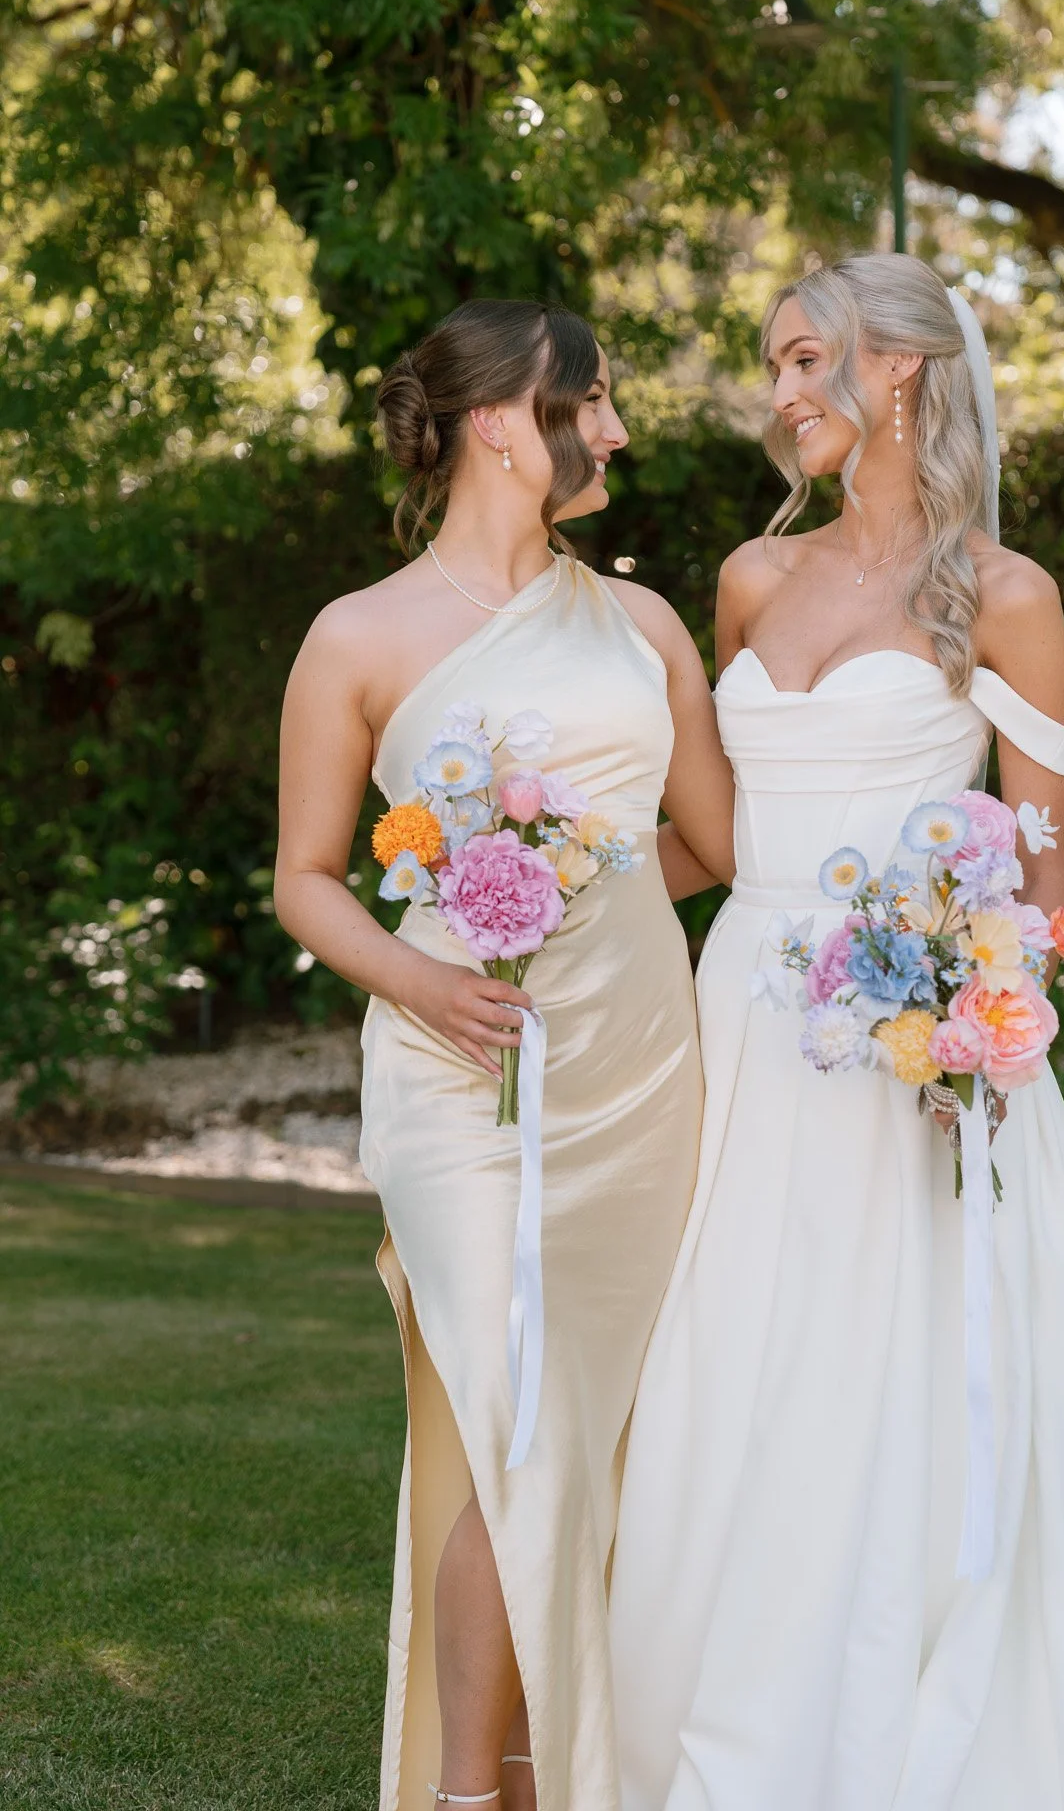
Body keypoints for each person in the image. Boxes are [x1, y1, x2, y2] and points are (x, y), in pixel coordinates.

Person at [608, 253, 1064, 1810]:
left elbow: (1039, 879)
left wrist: (965, 1018)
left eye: (805, 358)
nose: (782, 393)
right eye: (773, 364)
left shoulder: (1007, 599)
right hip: (746, 1025)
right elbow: (718, 836)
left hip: (913, 1057)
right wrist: (563, 896)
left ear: (899, 372)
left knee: (891, 1374)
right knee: (744, 1363)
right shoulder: (753, 581)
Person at [274, 300, 734, 1811]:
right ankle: (471, 1791)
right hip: (456, 1080)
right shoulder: (358, 634)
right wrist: (428, 974)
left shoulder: (648, 625)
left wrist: (575, 898)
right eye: (590, 403)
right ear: (497, 422)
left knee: (583, 1434)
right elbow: (308, 879)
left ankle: (536, 1771)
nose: (613, 430)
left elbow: (714, 849)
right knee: (509, 1418)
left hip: (633, 1077)